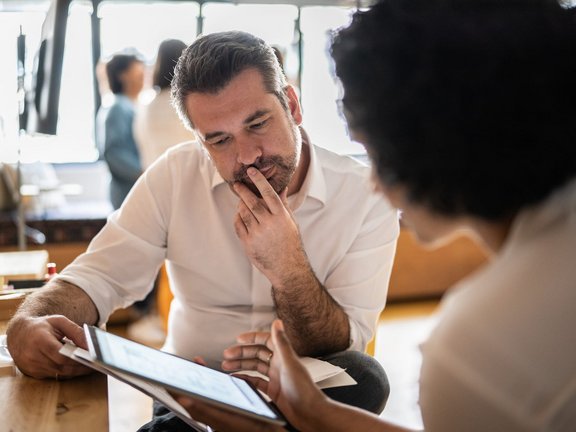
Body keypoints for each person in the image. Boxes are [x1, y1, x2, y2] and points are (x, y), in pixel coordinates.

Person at [172, 0, 576, 431]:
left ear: (436, 142)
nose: (377, 184)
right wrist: (316, 413)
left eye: (375, 152)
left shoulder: (478, 350)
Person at [5, 31, 399, 429]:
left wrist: (288, 266)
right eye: (220, 140)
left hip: (301, 387)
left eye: (258, 123)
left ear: (292, 106)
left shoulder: (366, 196)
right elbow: (96, 276)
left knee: (366, 378)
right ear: (200, 140)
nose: (247, 157)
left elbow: (344, 344)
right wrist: (28, 322)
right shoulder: (175, 175)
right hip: (196, 385)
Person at [134, 39, 194, 169]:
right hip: (188, 173)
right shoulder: (189, 102)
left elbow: (142, 145)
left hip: (154, 175)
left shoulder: (146, 105)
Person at [99, 53, 145, 210]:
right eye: (138, 70)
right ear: (123, 76)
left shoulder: (132, 106)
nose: (143, 74)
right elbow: (113, 153)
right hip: (127, 192)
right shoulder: (118, 108)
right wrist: (144, 172)